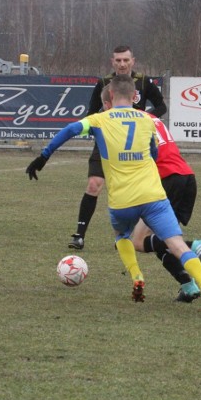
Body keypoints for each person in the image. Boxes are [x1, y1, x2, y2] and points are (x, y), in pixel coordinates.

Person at [26, 75, 201, 314]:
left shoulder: (100, 119)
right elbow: (153, 151)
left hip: (122, 200)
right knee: (179, 246)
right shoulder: (147, 119)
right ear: (135, 97)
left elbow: (70, 129)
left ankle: (137, 276)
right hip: (154, 196)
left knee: (122, 235)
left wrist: (43, 157)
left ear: (109, 96)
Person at [99, 85, 201, 304]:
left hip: (167, 180)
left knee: (137, 241)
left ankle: (193, 245)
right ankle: (188, 286)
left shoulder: (125, 123)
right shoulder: (149, 119)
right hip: (186, 177)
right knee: (161, 238)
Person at [70, 45, 167, 251]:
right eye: (118, 60)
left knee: (134, 190)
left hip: (135, 147)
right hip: (107, 143)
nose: (122, 64)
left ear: (133, 61)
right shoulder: (104, 83)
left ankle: (125, 237)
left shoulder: (143, 81)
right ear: (112, 62)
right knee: (94, 184)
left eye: (126, 60)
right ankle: (79, 235)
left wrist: (145, 119)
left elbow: (161, 106)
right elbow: (90, 112)